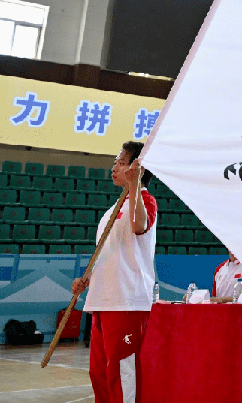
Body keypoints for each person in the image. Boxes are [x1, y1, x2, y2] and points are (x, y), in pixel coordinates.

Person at [71, 141, 158, 403]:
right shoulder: (112, 210)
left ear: (137, 167)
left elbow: (139, 226)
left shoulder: (145, 200)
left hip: (126, 301)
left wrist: (135, 183)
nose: (114, 167)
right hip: (102, 300)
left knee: (122, 373)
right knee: (99, 373)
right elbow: (107, 256)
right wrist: (87, 279)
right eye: (115, 162)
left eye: (121, 163)